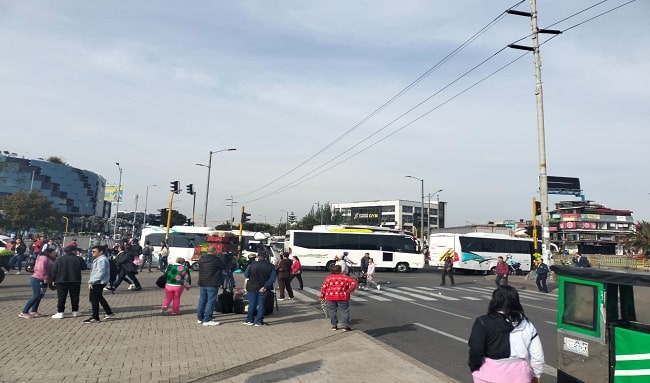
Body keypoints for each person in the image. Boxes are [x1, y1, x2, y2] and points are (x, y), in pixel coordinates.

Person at [468, 285, 545, 383]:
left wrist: (474, 367)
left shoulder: (483, 322)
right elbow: (537, 354)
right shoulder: (526, 324)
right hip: (520, 376)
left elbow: (476, 350)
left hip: (488, 375)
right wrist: (536, 374)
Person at [51, 246, 87, 319]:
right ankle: (75, 311)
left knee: (61, 297)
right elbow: (84, 267)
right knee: (75, 296)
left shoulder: (59, 259)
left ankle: (60, 312)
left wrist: (53, 279)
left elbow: (54, 270)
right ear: (73, 251)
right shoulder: (78, 258)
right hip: (75, 280)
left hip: (61, 280)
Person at [319, 264, 359, 331]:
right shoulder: (345, 277)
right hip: (342, 296)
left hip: (330, 296)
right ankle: (345, 326)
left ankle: (334, 325)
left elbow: (324, 287)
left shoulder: (328, 278)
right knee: (344, 311)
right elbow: (354, 283)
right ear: (340, 270)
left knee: (332, 311)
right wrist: (349, 290)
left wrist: (322, 295)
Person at [19, 247, 56, 318]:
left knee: (39, 296)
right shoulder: (43, 258)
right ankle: (24, 312)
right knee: (36, 295)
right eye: (54, 252)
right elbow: (41, 269)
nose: (55, 253)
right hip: (38, 279)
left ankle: (34, 311)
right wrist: (46, 277)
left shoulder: (50, 259)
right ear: (50, 252)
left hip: (44, 280)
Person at [242, 251, 277, 327]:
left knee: (252, 304)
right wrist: (265, 286)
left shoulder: (252, 265)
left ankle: (250, 320)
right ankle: (259, 321)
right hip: (264, 288)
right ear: (266, 257)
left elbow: (246, 275)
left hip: (252, 286)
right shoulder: (271, 266)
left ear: (258, 257)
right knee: (261, 304)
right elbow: (272, 278)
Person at [83, 245, 115, 324]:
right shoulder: (100, 259)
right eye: (92, 251)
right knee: (99, 297)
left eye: (94, 251)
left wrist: (92, 281)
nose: (92, 253)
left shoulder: (102, 260)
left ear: (100, 252)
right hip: (99, 281)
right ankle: (108, 312)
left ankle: (95, 317)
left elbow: (100, 272)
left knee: (94, 299)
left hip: (98, 282)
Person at [196, 246, 226, 326]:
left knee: (202, 300)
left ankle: (200, 318)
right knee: (211, 301)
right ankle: (207, 319)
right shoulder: (216, 259)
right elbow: (223, 266)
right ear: (214, 251)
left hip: (203, 282)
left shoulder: (201, 259)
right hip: (212, 283)